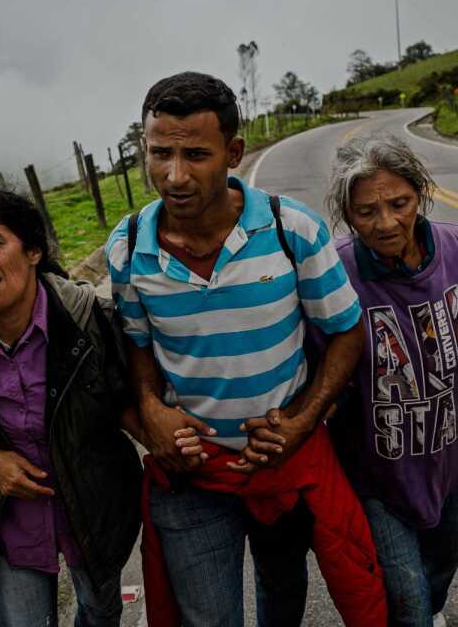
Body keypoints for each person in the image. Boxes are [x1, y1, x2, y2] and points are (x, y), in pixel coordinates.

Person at [106, 72, 386, 627]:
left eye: (196, 155)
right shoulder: (128, 246)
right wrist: (152, 411)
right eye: (160, 153)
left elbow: (347, 334)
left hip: (283, 465)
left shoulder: (293, 231)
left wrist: (301, 424)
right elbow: (138, 343)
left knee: (282, 592)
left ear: (233, 152)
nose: (175, 175)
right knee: (208, 617)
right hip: (191, 473)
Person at [316, 134, 458, 627]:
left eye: (399, 204)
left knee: (442, 567)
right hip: (378, 477)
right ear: (347, 214)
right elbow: (322, 382)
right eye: (366, 212)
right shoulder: (335, 272)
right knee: (406, 601)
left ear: (420, 193)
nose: (386, 223)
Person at [0, 189, 144, 627]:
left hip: (94, 508)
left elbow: (126, 400)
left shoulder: (90, 320)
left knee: (100, 612)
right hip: (5, 519)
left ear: (33, 250)